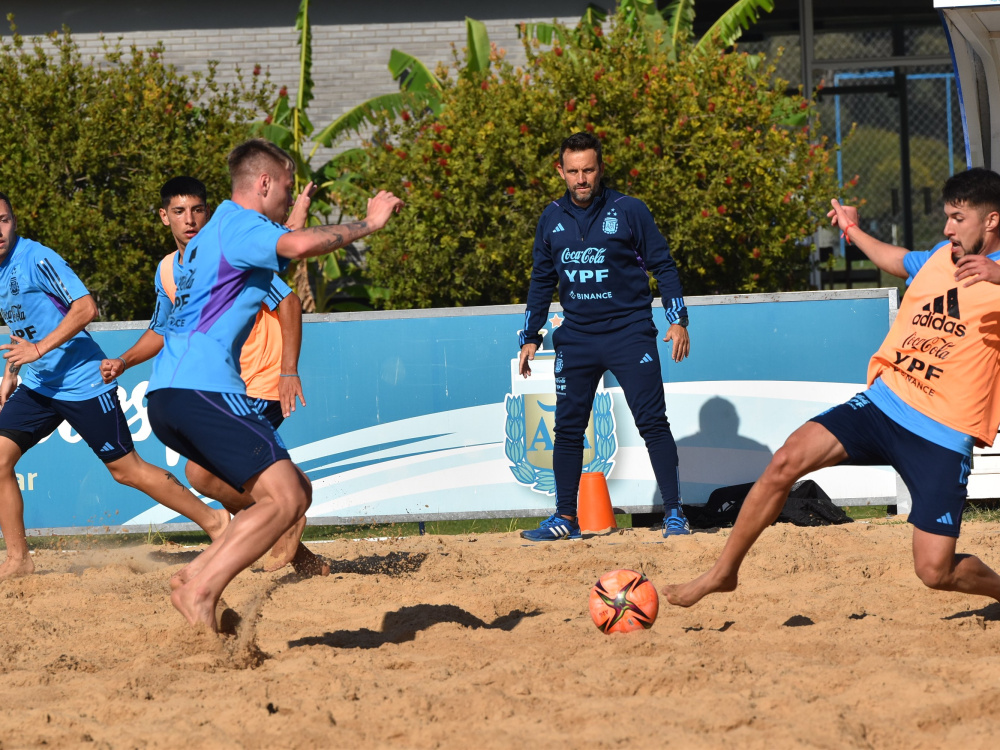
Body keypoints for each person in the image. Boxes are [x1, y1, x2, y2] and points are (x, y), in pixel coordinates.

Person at [665, 167, 1000, 609]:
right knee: (785, 460)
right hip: (884, 404)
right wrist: (853, 230)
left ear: (991, 221)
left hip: (940, 432)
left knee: (934, 572)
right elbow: (896, 260)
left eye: (958, 218)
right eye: (946, 217)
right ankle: (722, 572)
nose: (947, 228)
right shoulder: (943, 255)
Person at [146, 138, 402, 629]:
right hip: (205, 388)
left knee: (292, 492)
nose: (288, 196)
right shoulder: (242, 225)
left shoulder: (213, 234)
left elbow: (285, 250)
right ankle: (201, 589)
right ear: (263, 183)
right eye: (286, 186)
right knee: (286, 498)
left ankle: (198, 574)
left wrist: (299, 215)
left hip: (168, 394)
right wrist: (368, 224)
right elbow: (299, 244)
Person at [0, 191, 230, 578]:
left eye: (3, 220)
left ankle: (217, 522)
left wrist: (39, 349)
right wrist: (11, 375)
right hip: (40, 386)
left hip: (83, 382)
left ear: (14, 221)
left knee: (127, 471)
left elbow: (86, 308)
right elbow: (23, 328)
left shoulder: (36, 258)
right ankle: (19, 560)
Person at [99, 176, 323, 574]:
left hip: (258, 378)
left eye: (198, 210)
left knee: (205, 473)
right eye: (181, 212)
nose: (190, 220)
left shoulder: (228, 252)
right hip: (213, 386)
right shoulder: (168, 269)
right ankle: (298, 548)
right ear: (164, 217)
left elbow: (288, 302)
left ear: (208, 211)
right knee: (210, 476)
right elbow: (162, 329)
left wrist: (289, 370)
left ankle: (289, 517)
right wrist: (125, 360)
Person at [517, 132, 692, 541]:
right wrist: (530, 336)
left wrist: (678, 319)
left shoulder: (629, 210)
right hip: (576, 337)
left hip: (629, 333)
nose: (581, 179)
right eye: (573, 171)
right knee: (568, 427)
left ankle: (675, 514)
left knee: (652, 422)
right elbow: (541, 280)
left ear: (600, 169)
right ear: (561, 171)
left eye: (588, 170)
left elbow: (663, 266)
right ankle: (564, 518)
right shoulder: (551, 217)